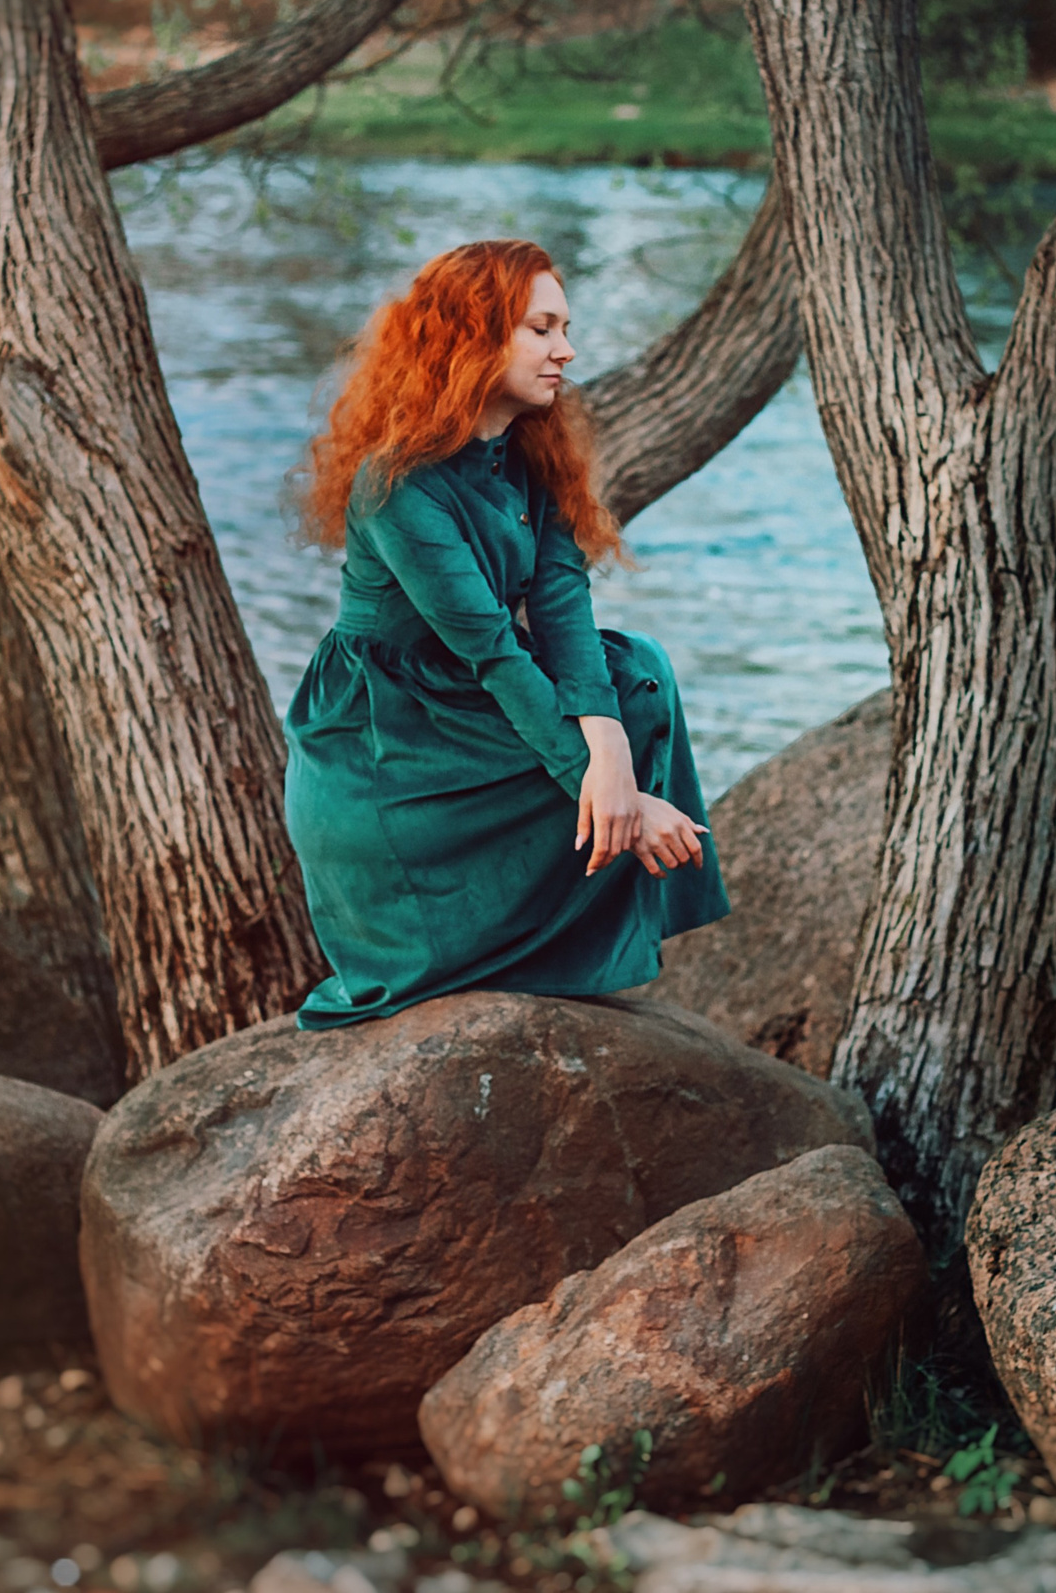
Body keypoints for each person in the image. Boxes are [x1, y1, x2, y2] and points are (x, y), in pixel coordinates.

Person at [284, 238, 729, 1027]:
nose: (567, 351)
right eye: (542, 329)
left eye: (565, 329)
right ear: (473, 338)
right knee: (602, 711)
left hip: (465, 701)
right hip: (388, 745)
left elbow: (561, 602)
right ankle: (469, 941)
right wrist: (616, 796)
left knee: (639, 674)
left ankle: (579, 943)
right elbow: (493, 651)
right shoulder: (397, 483)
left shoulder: (527, 454)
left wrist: (612, 756)